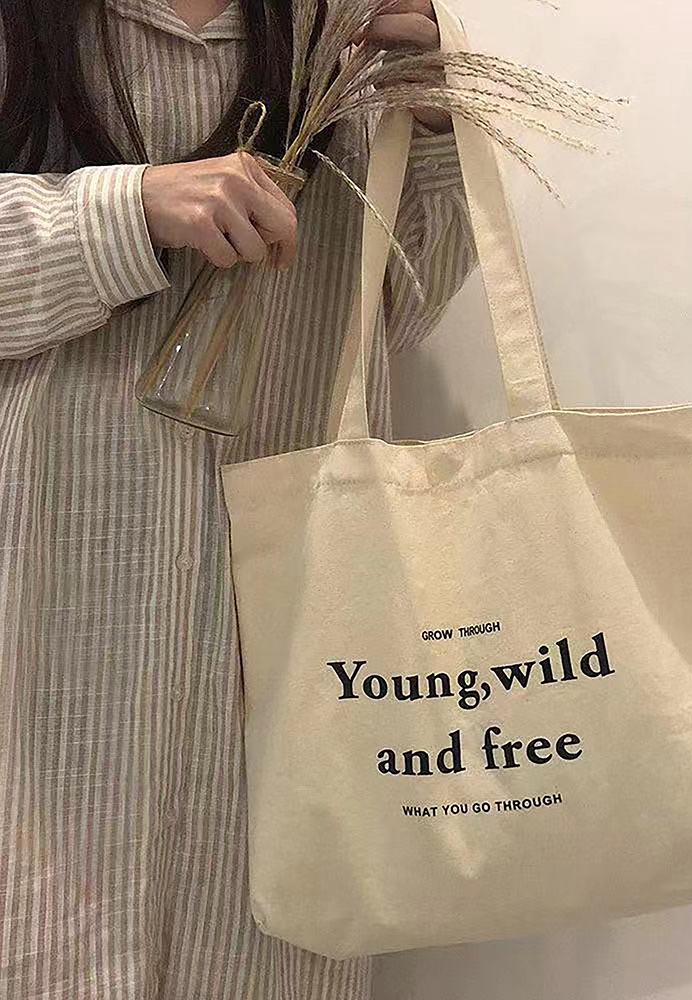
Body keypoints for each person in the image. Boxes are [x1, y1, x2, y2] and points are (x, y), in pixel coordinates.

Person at [0, 1, 476, 997]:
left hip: (283, 634)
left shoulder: (336, 30)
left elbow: (395, 308)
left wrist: (431, 116)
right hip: (44, 600)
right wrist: (124, 209)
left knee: (263, 943)